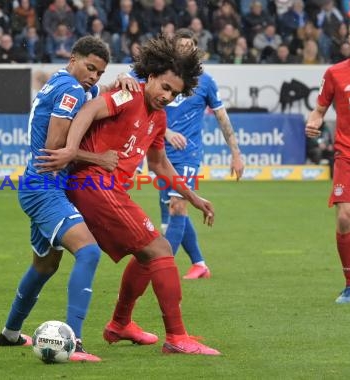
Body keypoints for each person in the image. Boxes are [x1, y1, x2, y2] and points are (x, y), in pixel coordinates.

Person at [36, 35, 221, 355]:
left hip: (109, 191)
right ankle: (176, 337)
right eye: (164, 87)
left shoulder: (159, 118)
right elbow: (89, 110)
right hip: (93, 184)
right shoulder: (129, 94)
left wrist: (193, 197)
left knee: (147, 254)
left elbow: (160, 165)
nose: (167, 96)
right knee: (160, 248)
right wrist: (70, 150)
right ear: (150, 77)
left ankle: (120, 324)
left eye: (174, 93)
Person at [0, 36, 116, 362]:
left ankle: (10, 333)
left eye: (100, 73)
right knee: (88, 252)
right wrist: (99, 159)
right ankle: (74, 341)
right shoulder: (71, 90)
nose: (93, 77)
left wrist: (116, 84)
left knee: (45, 265)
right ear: (72, 58)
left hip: (38, 185)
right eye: (90, 68)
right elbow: (55, 147)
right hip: (45, 186)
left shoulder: (62, 84)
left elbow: (93, 96)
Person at [157, 28, 244, 280]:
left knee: (177, 207)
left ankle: (161, 271)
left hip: (187, 155)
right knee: (171, 215)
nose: (185, 49)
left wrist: (235, 153)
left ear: (195, 49)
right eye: (181, 46)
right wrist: (166, 132)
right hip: (160, 155)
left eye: (190, 46)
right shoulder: (162, 76)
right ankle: (199, 264)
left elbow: (221, 117)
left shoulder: (205, 81)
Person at [305, 22, 350, 304]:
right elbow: (319, 109)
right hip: (346, 154)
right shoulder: (335, 73)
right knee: (345, 217)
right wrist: (314, 121)